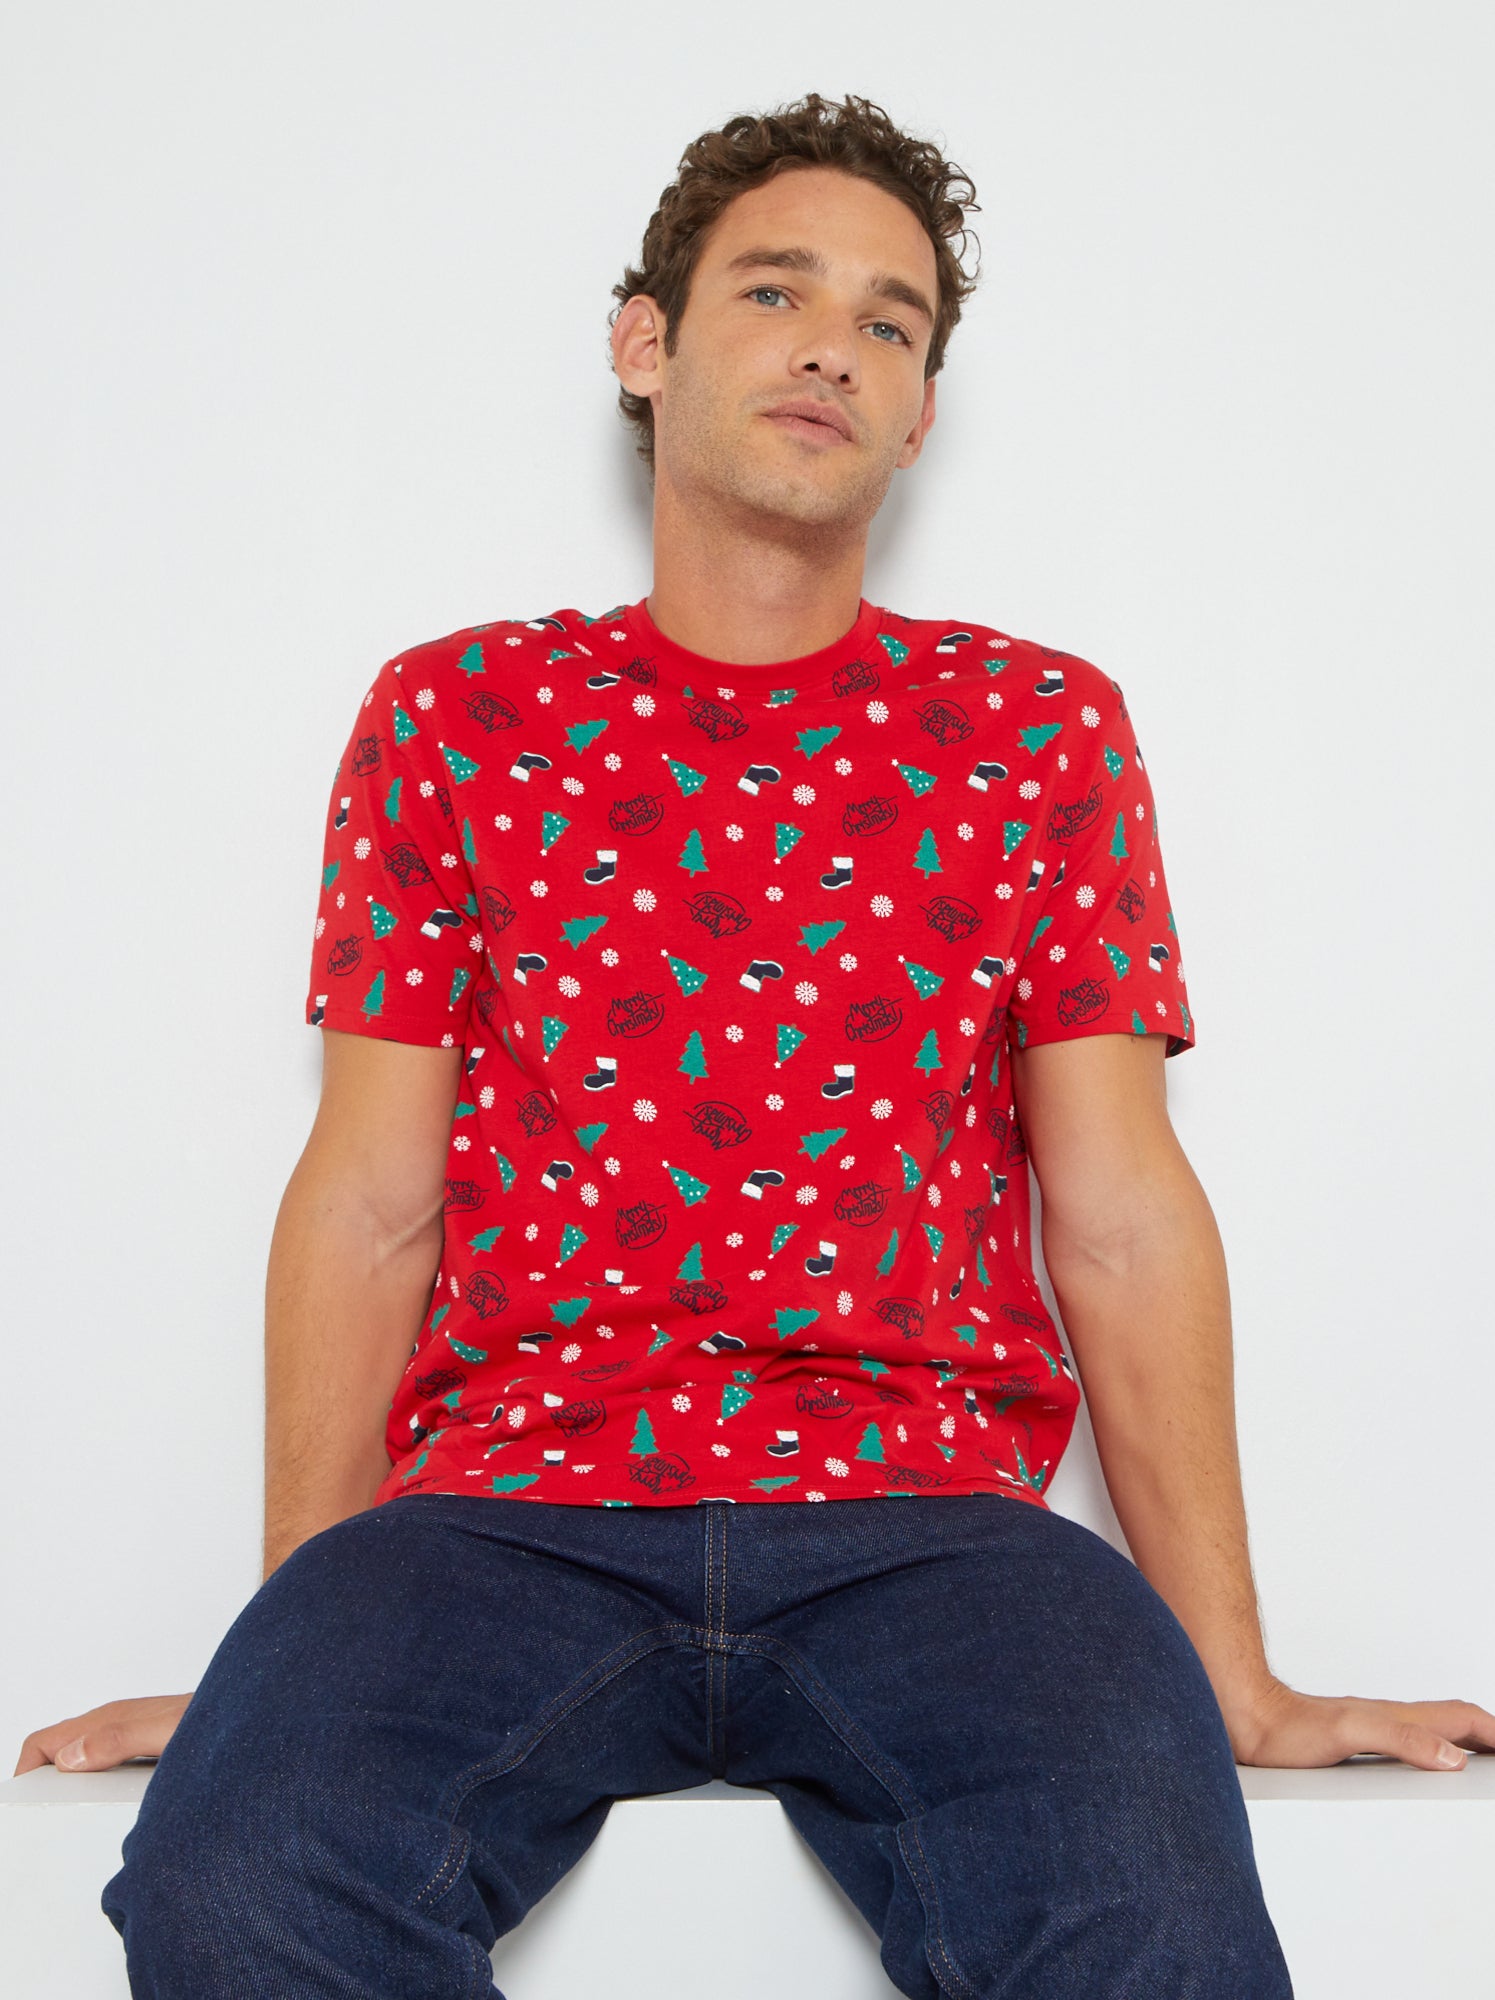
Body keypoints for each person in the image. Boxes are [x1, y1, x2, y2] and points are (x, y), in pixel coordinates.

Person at [16, 89, 1490, 1999]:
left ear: (922, 410)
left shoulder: (1038, 732)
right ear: (647, 344)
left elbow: (1123, 1211)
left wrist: (1234, 1673)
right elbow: (371, 1197)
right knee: (243, 1877)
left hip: (936, 1523)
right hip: (510, 1515)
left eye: (890, 321)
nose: (833, 347)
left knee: (1153, 1921)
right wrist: (286, 1655)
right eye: (776, 292)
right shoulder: (458, 716)